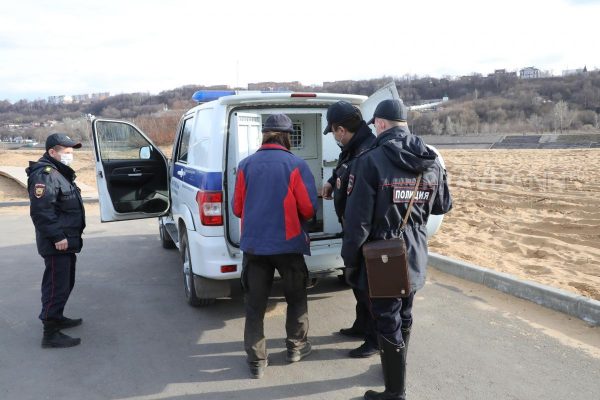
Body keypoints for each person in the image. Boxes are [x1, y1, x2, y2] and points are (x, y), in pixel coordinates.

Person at [341, 99, 453, 400]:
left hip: (383, 251)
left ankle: (395, 391)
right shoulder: (431, 159)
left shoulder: (370, 160)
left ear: (380, 124)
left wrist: (349, 259)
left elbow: (357, 223)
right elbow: (444, 205)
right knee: (404, 312)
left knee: (386, 317)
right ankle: (395, 370)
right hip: (415, 246)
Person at [233, 114, 318, 379]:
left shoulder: (245, 165)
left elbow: (237, 208)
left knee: (255, 306)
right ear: (287, 136)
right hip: (289, 245)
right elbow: (308, 208)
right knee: (296, 298)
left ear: (264, 134)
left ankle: (257, 361)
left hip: (255, 247)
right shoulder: (296, 164)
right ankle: (296, 347)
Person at [322, 101, 379, 358]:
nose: (334, 136)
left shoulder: (367, 152)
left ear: (341, 130)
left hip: (365, 233)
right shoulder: (352, 149)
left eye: (333, 132)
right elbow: (343, 170)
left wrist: (355, 243)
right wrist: (332, 182)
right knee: (356, 282)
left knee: (369, 287)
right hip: (354, 230)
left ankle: (374, 339)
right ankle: (361, 326)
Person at [26, 133, 86, 348]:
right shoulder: (46, 174)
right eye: (66, 152)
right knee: (55, 286)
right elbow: (42, 211)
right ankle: (50, 333)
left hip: (66, 240)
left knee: (65, 282)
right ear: (52, 152)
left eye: (71, 152)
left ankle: (57, 317)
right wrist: (58, 236)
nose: (70, 155)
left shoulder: (60, 173)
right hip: (57, 242)